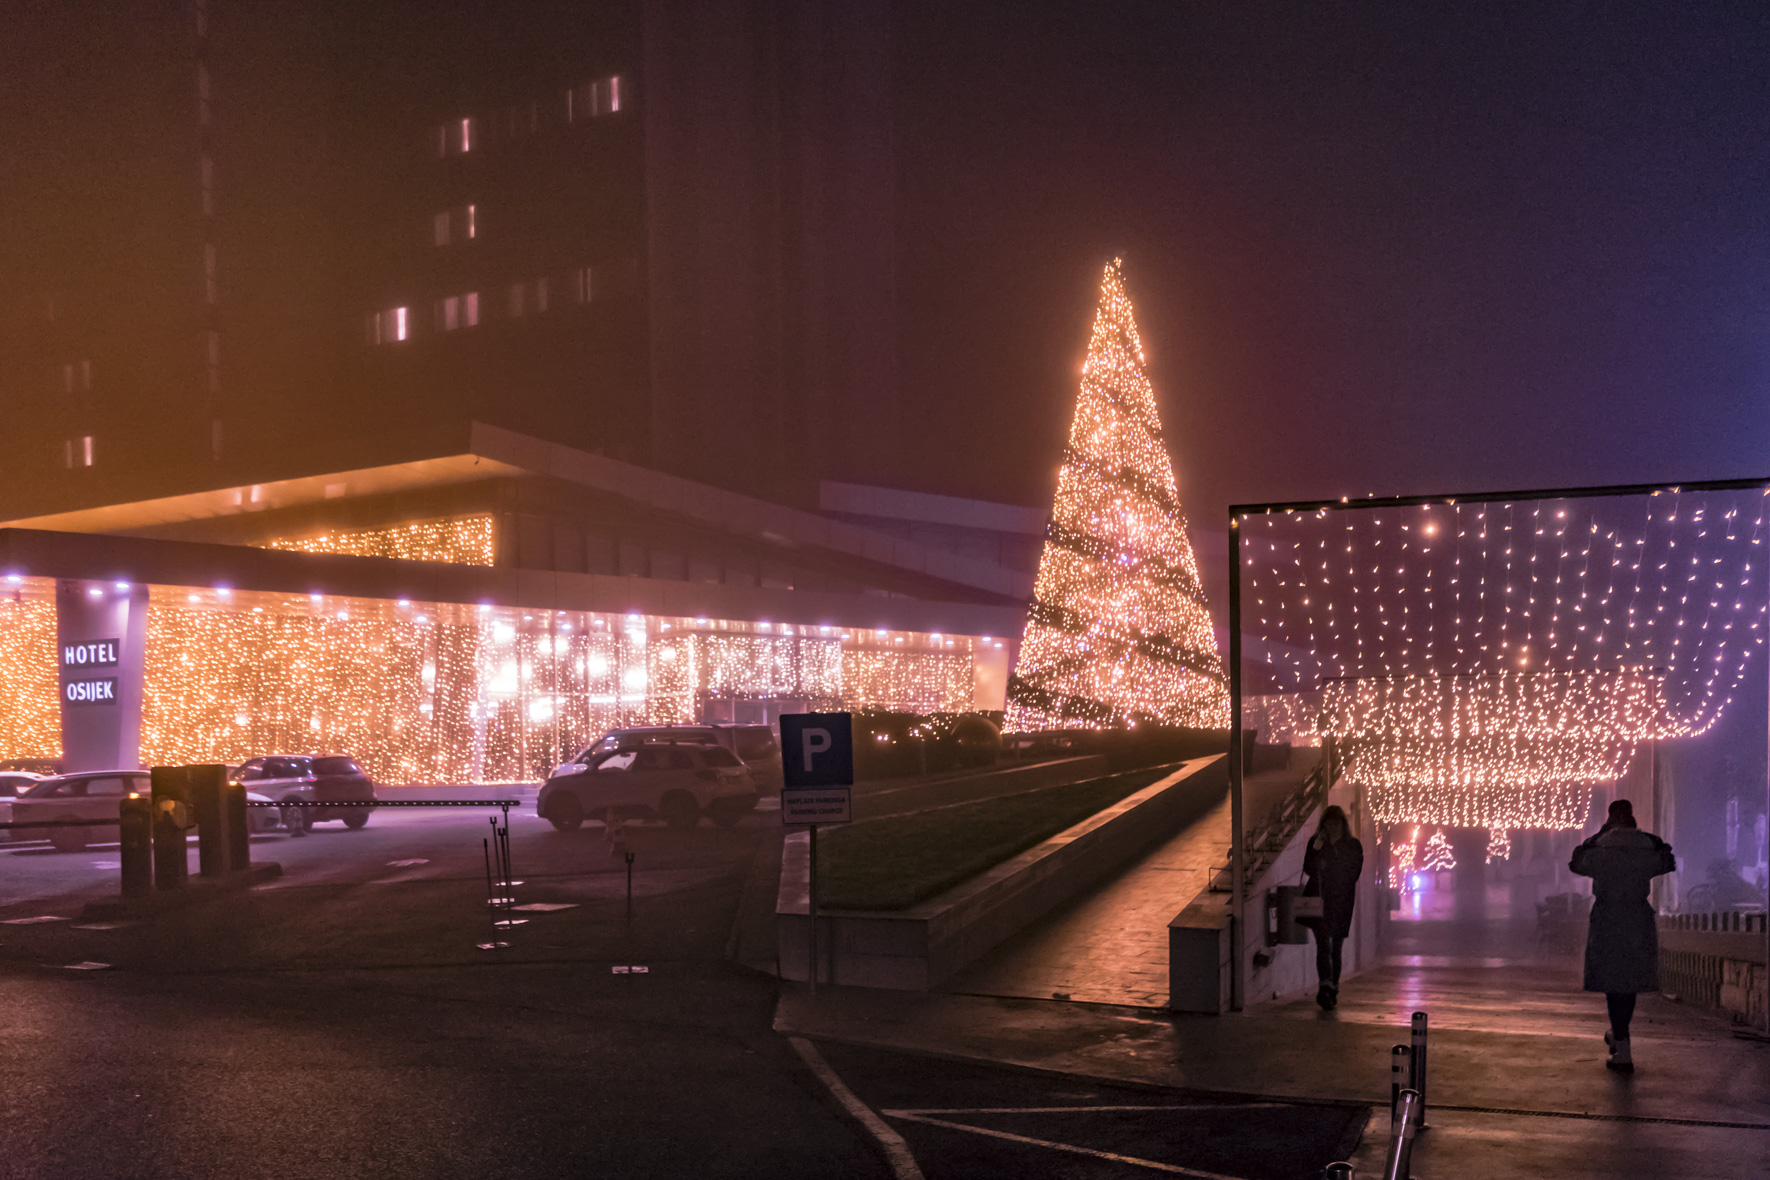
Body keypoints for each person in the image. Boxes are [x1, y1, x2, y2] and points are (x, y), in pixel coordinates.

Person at [1569, 799, 1677, 1073]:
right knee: (1628, 982)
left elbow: (1577, 861)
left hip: (1608, 918)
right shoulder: (1646, 850)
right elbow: (1667, 856)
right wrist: (1642, 834)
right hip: (1637, 920)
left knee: (1612, 981)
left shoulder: (1600, 851)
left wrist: (1600, 833)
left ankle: (1621, 1041)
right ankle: (1621, 1039)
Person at [1302, 804, 1365, 1010]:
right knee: (1323, 945)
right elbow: (1308, 868)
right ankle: (1324, 986)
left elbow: (1353, 873)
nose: (1332, 827)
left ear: (1342, 824)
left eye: (1336, 823)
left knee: (1335, 946)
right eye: (1328, 823)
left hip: (1341, 902)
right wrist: (1318, 848)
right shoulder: (1316, 842)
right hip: (1320, 899)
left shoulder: (1353, 845)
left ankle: (1333, 987)